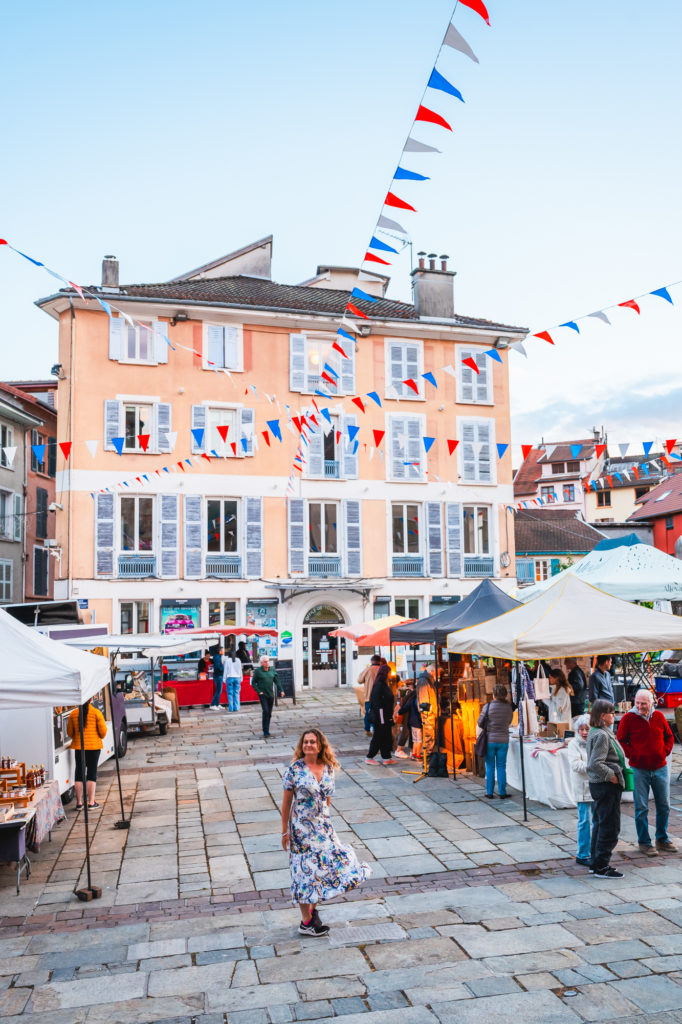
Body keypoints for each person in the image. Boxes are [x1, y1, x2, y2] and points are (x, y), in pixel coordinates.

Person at [281, 729, 371, 936]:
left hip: (323, 829)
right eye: (306, 742)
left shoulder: (328, 768)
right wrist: (284, 832)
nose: (309, 745)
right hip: (301, 830)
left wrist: (327, 824)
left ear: (320, 745)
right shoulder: (294, 769)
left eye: (313, 742)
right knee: (303, 873)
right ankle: (306, 922)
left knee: (326, 867)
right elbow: (286, 803)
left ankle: (313, 913)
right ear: (301, 746)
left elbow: (327, 800)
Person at [617, 688, 676, 856]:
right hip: (639, 769)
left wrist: (664, 751)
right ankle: (644, 842)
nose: (640, 706)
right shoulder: (628, 718)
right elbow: (621, 739)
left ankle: (662, 839)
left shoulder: (659, 716)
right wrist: (632, 754)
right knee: (641, 807)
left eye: (644, 703)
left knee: (664, 805)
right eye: (637, 703)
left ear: (652, 703)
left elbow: (669, 737)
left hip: (660, 767)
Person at [586, 699, 625, 878]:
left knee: (600, 824)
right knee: (609, 827)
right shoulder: (601, 735)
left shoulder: (598, 731)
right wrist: (612, 776)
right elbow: (595, 763)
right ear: (603, 716)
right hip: (605, 785)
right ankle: (602, 865)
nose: (614, 716)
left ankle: (595, 863)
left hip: (600, 785)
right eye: (612, 712)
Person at [66, 698, 108, 810]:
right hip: (94, 748)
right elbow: (103, 733)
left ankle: (79, 803)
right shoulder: (96, 713)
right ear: (90, 700)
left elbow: (70, 733)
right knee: (91, 774)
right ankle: (91, 802)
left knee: (79, 773)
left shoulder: (73, 714)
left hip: (79, 748)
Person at [478, 685, 514, 799]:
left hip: (490, 740)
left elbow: (480, 722)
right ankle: (502, 792)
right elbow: (509, 721)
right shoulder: (508, 707)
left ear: (494, 695)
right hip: (503, 740)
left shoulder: (487, 707)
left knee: (489, 766)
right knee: (501, 766)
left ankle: (489, 792)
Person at [568, 714, 593, 866]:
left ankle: (594, 851)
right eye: (581, 729)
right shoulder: (573, 744)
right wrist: (593, 766)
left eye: (587, 729)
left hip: (596, 786)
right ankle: (583, 854)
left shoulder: (595, 741)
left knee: (597, 821)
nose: (584, 732)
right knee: (585, 820)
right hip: (583, 788)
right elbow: (576, 765)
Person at [365, 664, 396, 765]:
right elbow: (378, 705)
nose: (390, 675)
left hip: (386, 716)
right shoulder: (379, 686)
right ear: (385, 674)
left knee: (386, 737)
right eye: (389, 673)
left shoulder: (384, 684)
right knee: (378, 736)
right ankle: (369, 757)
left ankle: (386, 758)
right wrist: (382, 720)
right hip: (380, 717)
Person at [251, 654, 284, 737]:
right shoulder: (258, 671)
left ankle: (267, 728)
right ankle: (265, 730)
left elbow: (277, 681)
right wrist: (259, 692)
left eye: (268, 661)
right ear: (262, 663)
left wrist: (281, 690)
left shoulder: (272, 670)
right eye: (265, 662)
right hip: (263, 695)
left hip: (270, 694)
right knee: (265, 711)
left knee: (269, 713)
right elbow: (253, 683)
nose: (267, 663)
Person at [394, 679, 421, 759]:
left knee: (410, 732)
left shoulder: (414, 692)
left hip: (409, 713)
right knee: (406, 731)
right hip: (408, 714)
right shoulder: (415, 693)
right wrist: (400, 712)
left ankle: (413, 751)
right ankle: (399, 750)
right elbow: (407, 703)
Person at [416, 666, 438, 757]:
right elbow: (424, 700)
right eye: (437, 673)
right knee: (428, 736)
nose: (437, 675)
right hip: (428, 714)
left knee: (430, 736)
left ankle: (429, 757)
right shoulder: (424, 681)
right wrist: (428, 713)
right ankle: (428, 758)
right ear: (432, 671)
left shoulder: (427, 680)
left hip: (429, 713)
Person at [358, 655, 380, 734]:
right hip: (380, 696)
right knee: (379, 712)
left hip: (369, 695)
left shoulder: (367, 670)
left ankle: (367, 729)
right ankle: (376, 727)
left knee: (368, 712)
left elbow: (359, 680)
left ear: (371, 661)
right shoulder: (382, 669)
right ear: (379, 661)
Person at [546, 668, 573, 733]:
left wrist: (545, 699)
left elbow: (558, 708)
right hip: (557, 722)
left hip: (561, 722)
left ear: (556, 678)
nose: (549, 680)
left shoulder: (562, 691)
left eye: (550, 677)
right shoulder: (556, 689)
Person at [223, 647, 243, 713]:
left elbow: (225, 670)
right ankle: (236, 707)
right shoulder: (238, 660)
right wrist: (241, 678)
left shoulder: (227, 661)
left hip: (230, 678)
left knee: (230, 693)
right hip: (237, 678)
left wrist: (224, 678)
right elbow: (240, 670)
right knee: (237, 693)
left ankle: (231, 708)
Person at [209, 646, 225, 710]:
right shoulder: (217, 657)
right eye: (223, 650)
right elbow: (218, 667)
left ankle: (217, 704)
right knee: (218, 691)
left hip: (218, 675)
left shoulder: (218, 656)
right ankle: (212, 704)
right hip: (218, 675)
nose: (223, 651)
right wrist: (224, 669)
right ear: (219, 651)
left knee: (219, 691)